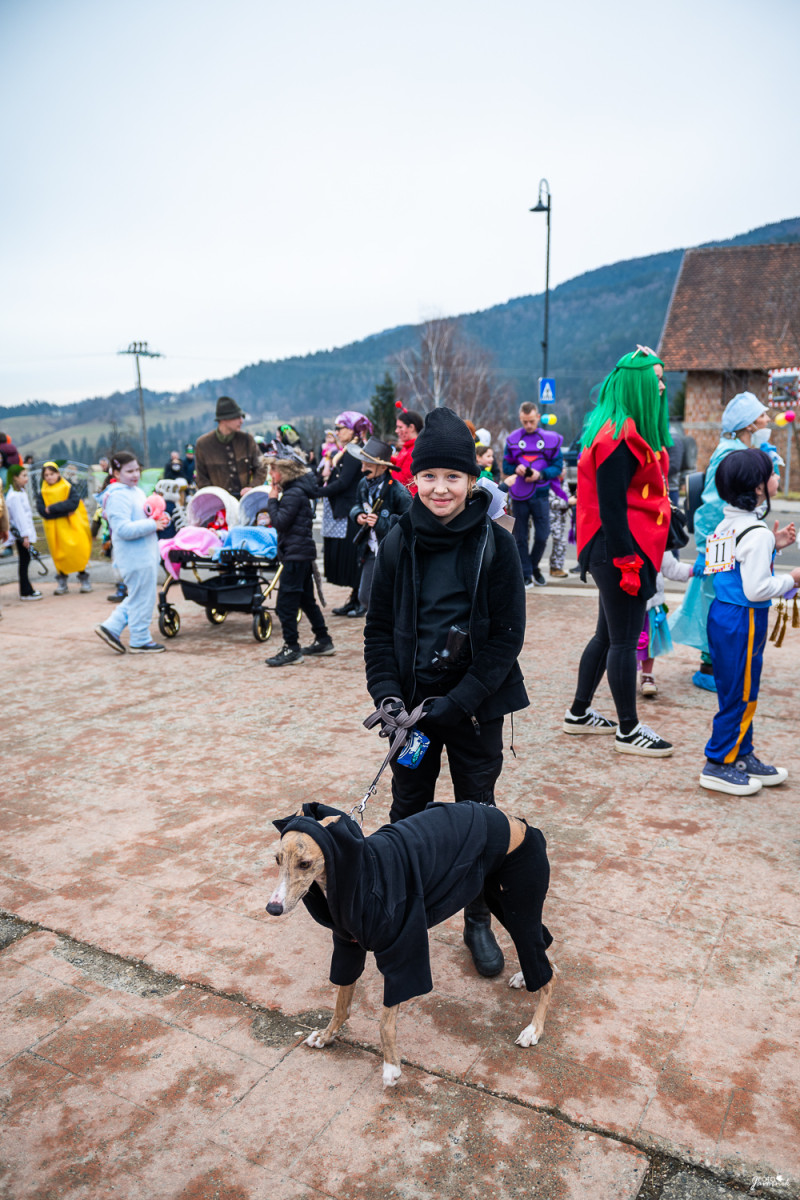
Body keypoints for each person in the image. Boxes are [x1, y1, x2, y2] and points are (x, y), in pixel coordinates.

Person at [364, 406, 529, 977]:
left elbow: (507, 637)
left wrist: (461, 701)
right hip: (411, 713)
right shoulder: (398, 540)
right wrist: (387, 696)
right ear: (414, 478)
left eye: (452, 477)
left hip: (474, 708)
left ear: (472, 480)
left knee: (476, 813)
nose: (440, 488)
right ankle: (394, 906)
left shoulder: (496, 545)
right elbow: (378, 629)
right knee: (407, 805)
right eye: (429, 475)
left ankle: (477, 918)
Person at [564, 348, 674, 757]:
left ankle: (578, 713)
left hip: (615, 546)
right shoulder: (619, 436)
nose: (661, 385)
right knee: (625, 641)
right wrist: (628, 562)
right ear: (638, 383)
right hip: (620, 549)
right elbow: (611, 508)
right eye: (656, 378)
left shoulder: (614, 429)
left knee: (608, 635)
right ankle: (629, 729)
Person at [699, 449, 799, 795]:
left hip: (722, 616)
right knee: (742, 694)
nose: (776, 478)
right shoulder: (756, 532)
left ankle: (741, 754)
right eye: (772, 474)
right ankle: (718, 763)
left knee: (734, 690)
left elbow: (723, 568)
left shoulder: (727, 523)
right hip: (744, 620)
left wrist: (772, 546)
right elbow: (757, 589)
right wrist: (791, 579)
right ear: (758, 488)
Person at [670, 392, 773, 691]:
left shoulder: (737, 450)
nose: (767, 419)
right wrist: (709, 550)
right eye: (762, 415)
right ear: (749, 423)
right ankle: (711, 666)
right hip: (724, 544)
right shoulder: (731, 453)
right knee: (717, 602)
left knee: (718, 601)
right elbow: (712, 506)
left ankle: (720, 663)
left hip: (727, 542)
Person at [94, 452, 170, 654]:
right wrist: (153, 524)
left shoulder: (134, 491)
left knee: (139, 597)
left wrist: (159, 518)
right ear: (116, 473)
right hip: (134, 557)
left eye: (137, 469)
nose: (135, 474)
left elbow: (144, 516)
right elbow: (123, 529)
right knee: (142, 599)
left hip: (144, 555)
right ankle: (139, 639)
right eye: (129, 471)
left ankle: (111, 627)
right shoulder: (118, 495)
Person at [264, 456, 334, 667]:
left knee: (285, 605)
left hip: (296, 555)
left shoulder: (293, 494)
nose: (271, 475)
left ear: (284, 473)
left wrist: (272, 500)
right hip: (300, 553)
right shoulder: (297, 491)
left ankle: (292, 648)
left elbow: (280, 522)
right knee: (305, 600)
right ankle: (323, 640)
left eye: (273, 470)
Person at [503, 402, 563, 587]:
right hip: (519, 495)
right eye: (524, 422)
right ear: (520, 419)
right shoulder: (512, 439)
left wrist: (541, 474)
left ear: (538, 417)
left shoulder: (550, 440)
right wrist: (516, 468)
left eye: (531, 421)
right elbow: (506, 466)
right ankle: (527, 572)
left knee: (543, 535)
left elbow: (557, 466)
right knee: (520, 536)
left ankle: (533, 567)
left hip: (541, 494)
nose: (528, 425)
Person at [318, 411, 373, 617]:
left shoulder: (354, 452)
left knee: (354, 557)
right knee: (351, 556)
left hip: (353, 510)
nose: (337, 432)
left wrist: (318, 492)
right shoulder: (348, 451)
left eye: (340, 428)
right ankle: (354, 598)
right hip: (348, 510)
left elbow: (343, 482)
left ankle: (360, 601)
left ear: (353, 430)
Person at [348, 436, 412, 611]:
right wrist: (358, 515)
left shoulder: (399, 491)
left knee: (393, 595)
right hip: (370, 549)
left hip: (392, 552)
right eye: (362, 464)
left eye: (368, 465)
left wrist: (380, 522)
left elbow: (408, 525)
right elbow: (356, 505)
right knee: (365, 596)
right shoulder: (363, 484)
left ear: (383, 467)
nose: (363, 469)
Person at [36, 462, 93, 595]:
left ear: (58, 473)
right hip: (54, 529)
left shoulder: (67, 487)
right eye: (46, 475)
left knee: (77, 551)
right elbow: (43, 512)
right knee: (59, 554)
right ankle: (62, 581)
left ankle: (83, 577)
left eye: (52, 474)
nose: (49, 477)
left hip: (72, 526)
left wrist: (52, 508)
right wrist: (64, 512)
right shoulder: (42, 493)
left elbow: (73, 503)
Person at [193, 397, 267, 498]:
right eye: (237, 417)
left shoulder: (247, 440)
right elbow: (201, 478)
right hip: (219, 503)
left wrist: (252, 488)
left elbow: (261, 467)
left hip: (245, 500)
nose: (241, 421)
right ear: (224, 419)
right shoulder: (203, 444)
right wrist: (215, 497)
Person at [5, 466, 42, 600]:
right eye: (23, 476)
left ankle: (27, 589)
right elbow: (19, 517)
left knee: (25, 560)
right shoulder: (14, 496)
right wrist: (25, 536)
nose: (26, 478)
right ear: (15, 477)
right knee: (24, 561)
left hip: (23, 533)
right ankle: (26, 591)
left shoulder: (19, 492)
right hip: (21, 535)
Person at [547, 474, 576, 579]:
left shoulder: (564, 482)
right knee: (560, 542)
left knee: (560, 543)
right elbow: (551, 503)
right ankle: (555, 567)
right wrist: (568, 502)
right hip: (551, 517)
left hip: (562, 518)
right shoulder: (550, 482)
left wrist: (572, 499)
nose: (563, 471)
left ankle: (557, 567)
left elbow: (567, 495)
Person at [390, 410, 423, 487]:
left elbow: (405, 481)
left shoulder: (415, 451)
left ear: (411, 427)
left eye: (400, 427)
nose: (396, 431)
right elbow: (400, 464)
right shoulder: (407, 447)